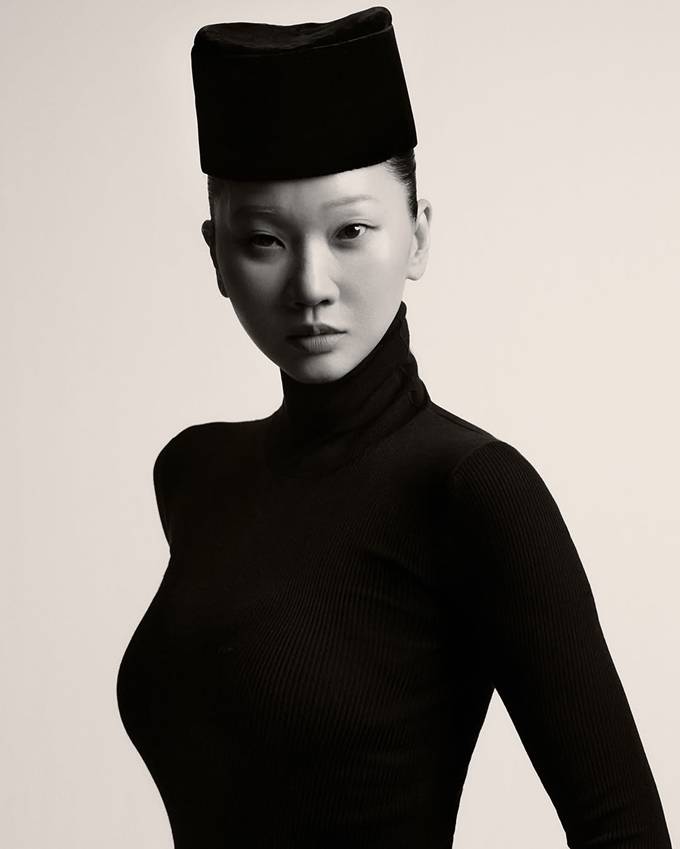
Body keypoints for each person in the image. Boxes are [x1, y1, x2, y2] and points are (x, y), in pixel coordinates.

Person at [116, 7, 673, 848]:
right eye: (264, 239)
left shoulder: (472, 490)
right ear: (215, 255)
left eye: (351, 231)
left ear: (416, 236)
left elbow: (624, 830)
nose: (312, 284)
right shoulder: (195, 472)